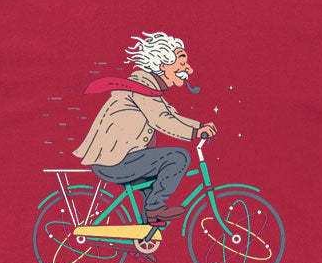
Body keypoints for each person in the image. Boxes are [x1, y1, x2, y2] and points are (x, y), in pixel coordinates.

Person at [73, 32, 217, 222]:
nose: (189, 69)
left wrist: (200, 126)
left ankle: (147, 229)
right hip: (116, 162)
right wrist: (195, 132)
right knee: (178, 157)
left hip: (125, 159)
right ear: (163, 65)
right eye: (182, 63)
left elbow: (171, 114)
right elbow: (161, 120)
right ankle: (154, 209)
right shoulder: (141, 87)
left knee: (152, 191)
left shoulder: (149, 88)